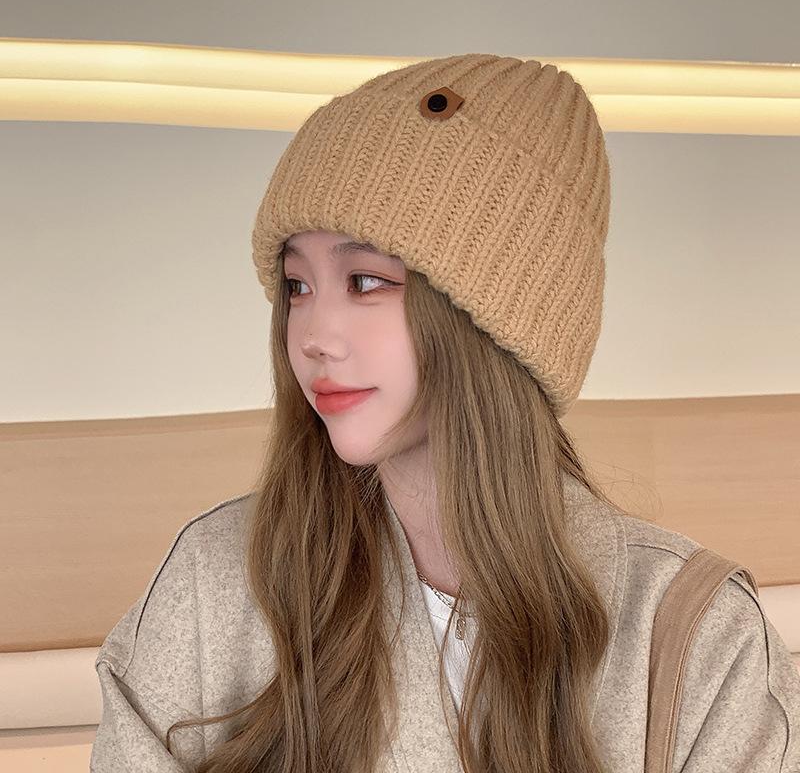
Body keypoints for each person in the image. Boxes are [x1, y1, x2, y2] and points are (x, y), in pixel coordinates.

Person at [91, 53, 800, 772]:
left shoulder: (698, 637)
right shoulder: (218, 579)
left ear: (497, 322)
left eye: (366, 281)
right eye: (297, 286)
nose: (313, 336)